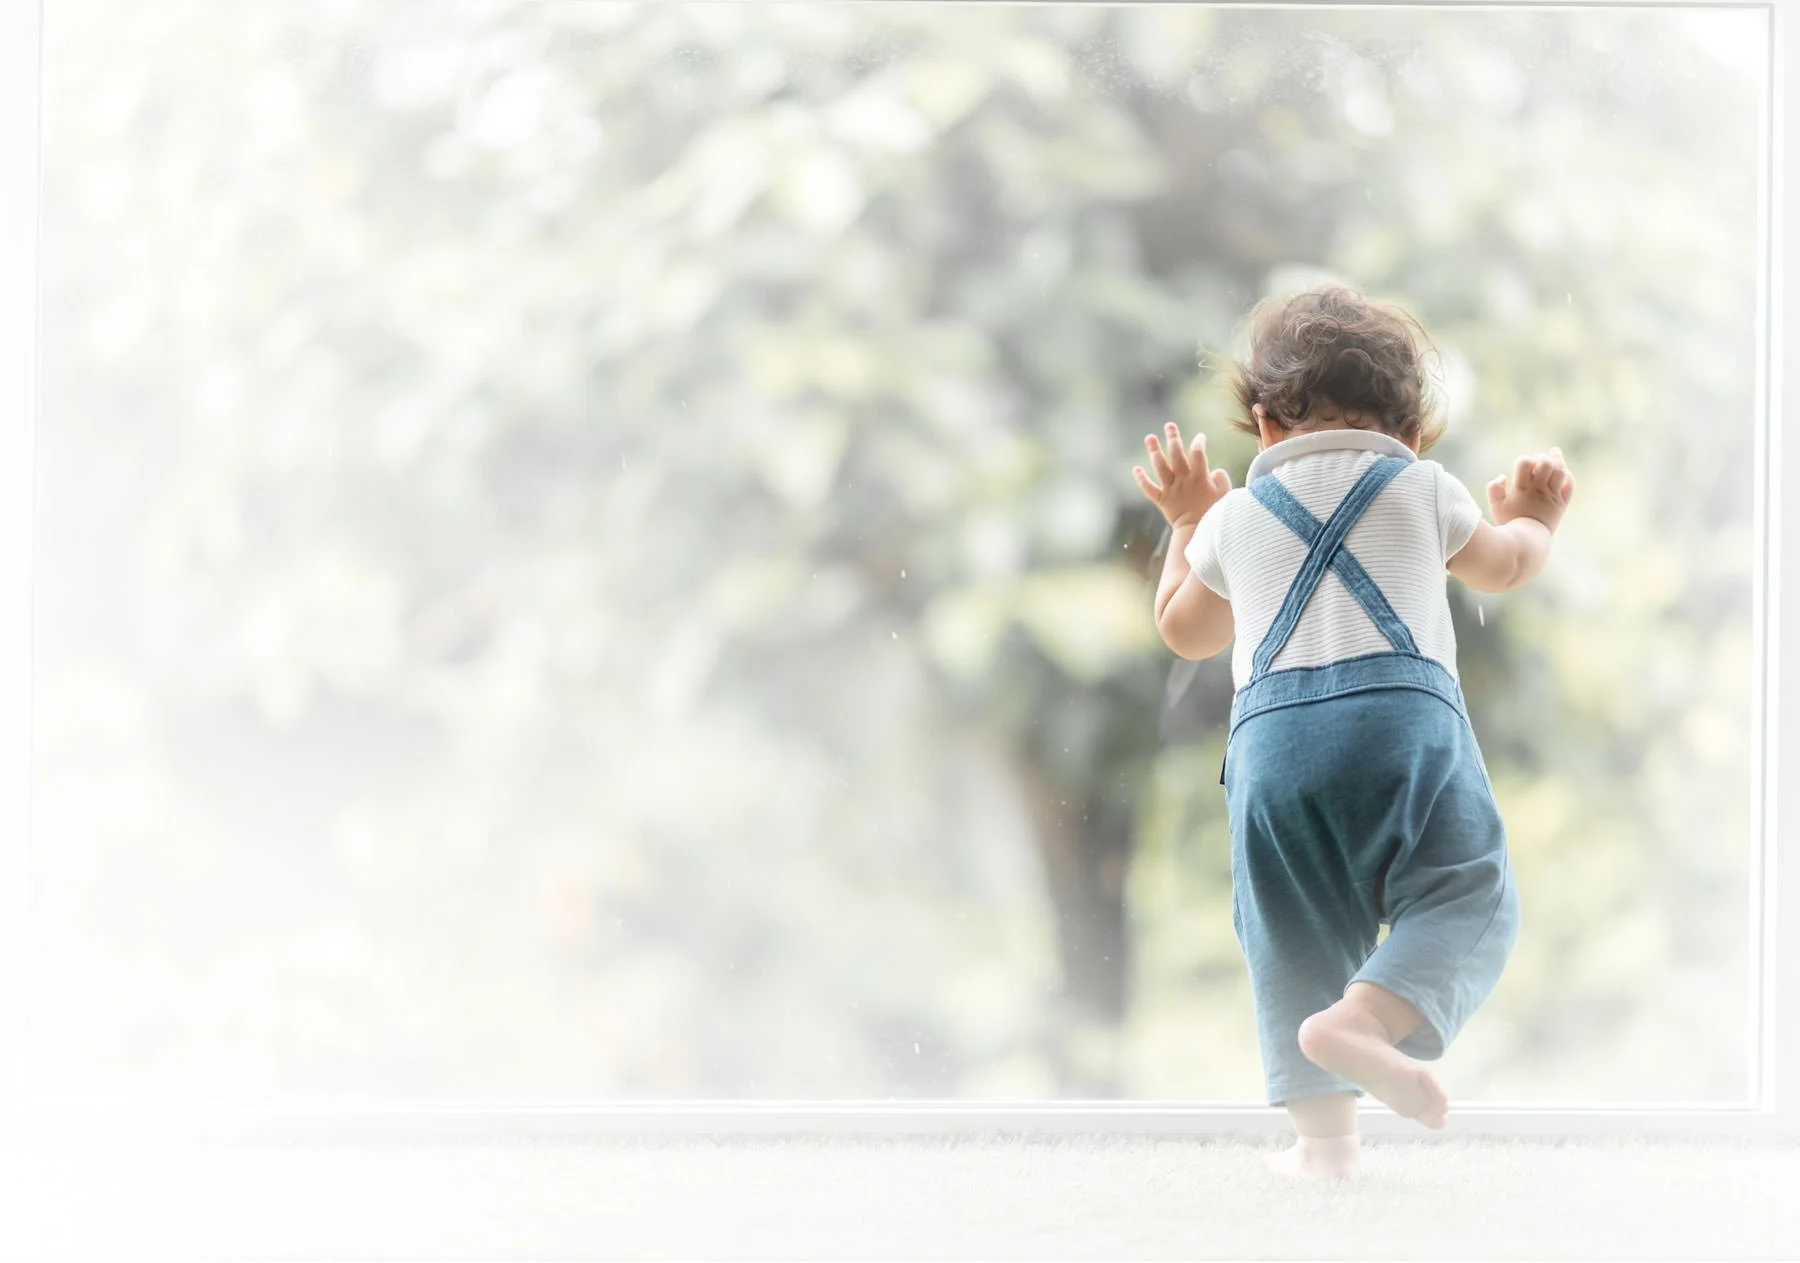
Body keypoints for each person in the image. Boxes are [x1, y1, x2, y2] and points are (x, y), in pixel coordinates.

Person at [1131, 285, 1574, 1180]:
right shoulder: (1422, 486)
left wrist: (1184, 523)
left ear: (1264, 424)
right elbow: (1504, 566)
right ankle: (1364, 1021)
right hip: (1401, 730)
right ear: (1412, 429)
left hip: (1274, 756)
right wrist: (1535, 517)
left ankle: (1324, 1150)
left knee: (1292, 932)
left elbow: (1186, 630)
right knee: (1466, 890)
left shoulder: (1230, 518)